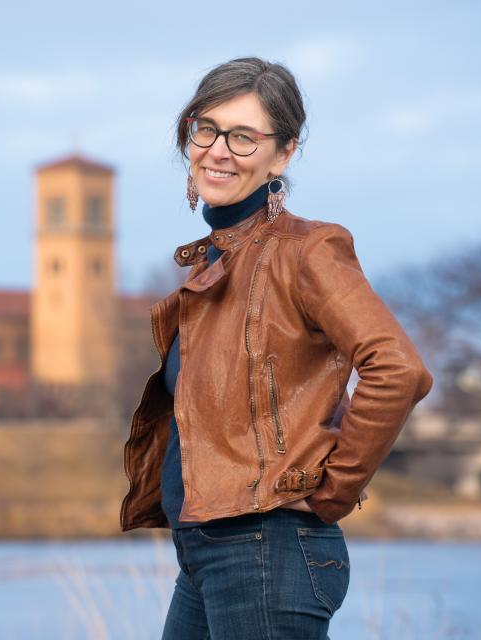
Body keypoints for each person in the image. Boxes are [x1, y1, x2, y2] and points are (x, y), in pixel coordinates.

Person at [119, 57, 434, 639]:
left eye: (243, 137)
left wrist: (331, 490)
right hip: (207, 548)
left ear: (282, 154)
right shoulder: (215, 262)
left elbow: (398, 369)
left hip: (268, 548)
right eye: (205, 128)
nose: (217, 149)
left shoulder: (306, 250)